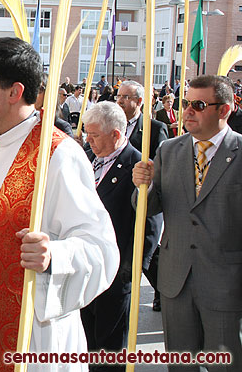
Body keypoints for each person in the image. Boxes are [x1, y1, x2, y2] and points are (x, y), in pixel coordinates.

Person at [0, 37, 118, 371]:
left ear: (14, 92)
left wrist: (55, 254)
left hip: (31, 336)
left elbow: (101, 249)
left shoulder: (58, 154)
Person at [132, 75, 242, 372]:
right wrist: (144, 186)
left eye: (199, 104)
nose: (188, 111)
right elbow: (148, 208)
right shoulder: (170, 149)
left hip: (224, 285)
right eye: (185, 103)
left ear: (225, 110)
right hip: (175, 281)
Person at [80, 102, 161, 371]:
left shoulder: (138, 167)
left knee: (109, 349)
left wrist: (131, 271)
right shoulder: (86, 158)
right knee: (85, 342)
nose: (88, 141)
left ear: (116, 135)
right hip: (83, 268)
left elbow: (150, 225)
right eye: (87, 134)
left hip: (115, 274)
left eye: (94, 135)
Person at [116, 80, 167, 311]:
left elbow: (162, 161)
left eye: (126, 97)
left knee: (150, 253)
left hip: (143, 197)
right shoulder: (113, 124)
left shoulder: (153, 128)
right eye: (119, 95)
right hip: (119, 196)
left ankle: (162, 291)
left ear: (138, 102)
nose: (120, 100)